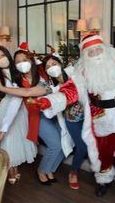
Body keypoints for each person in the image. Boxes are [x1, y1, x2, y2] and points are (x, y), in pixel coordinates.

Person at [39, 34, 115, 200]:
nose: (96, 54)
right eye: (91, 53)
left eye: (98, 49)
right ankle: (104, 181)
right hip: (104, 121)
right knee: (104, 154)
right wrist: (49, 102)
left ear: (105, 49)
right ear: (85, 56)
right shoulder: (81, 73)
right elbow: (68, 92)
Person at [0, 43, 72, 185]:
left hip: (56, 112)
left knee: (65, 143)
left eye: (24, 60)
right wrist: (3, 129)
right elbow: (20, 99)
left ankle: (49, 170)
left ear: (31, 60)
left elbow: (57, 76)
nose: (22, 64)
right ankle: (42, 170)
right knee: (55, 145)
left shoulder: (42, 72)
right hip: (37, 116)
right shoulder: (18, 81)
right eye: (17, 62)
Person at [0, 42, 37, 184]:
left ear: (8, 55)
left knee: (18, 138)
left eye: (2, 55)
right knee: (7, 139)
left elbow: (21, 95)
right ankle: (11, 168)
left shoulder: (19, 70)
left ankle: (14, 166)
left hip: (20, 108)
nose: (0, 59)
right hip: (7, 107)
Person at [42, 54, 87, 190]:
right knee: (82, 146)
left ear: (60, 64)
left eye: (53, 64)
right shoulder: (52, 87)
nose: (52, 68)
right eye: (48, 67)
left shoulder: (73, 73)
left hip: (89, 116)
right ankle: (73, 172)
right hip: (72, 120)